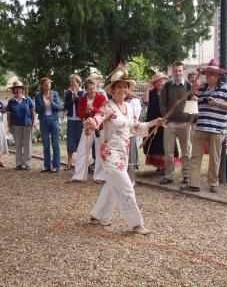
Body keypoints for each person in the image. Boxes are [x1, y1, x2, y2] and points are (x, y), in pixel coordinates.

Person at [84, 64, 163, 235]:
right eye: (118, 86)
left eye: (125, 86)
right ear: (112, 90)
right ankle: (136, 223)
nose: (122, 89)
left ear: (128, 89)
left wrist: (153, 123)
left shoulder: (128, 108)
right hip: (110, 154)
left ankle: (98, 215)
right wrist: (92, 123)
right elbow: (97, 119)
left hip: (124, 153)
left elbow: (134, 127)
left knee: (113, 186)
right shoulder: (108, 106)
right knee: (127, 187)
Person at [184, 58, 227, 193]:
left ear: (218, 75)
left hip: (217, 129)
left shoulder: (226, 89)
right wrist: (194, 98)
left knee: (215, 157)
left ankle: (213, 183)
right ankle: (193, 184)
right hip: (201, 127)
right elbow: (193, 100)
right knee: (195, 156)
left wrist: (218, 103)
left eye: (212, 74)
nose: (209, 76)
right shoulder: (201, 88)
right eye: (207, 74)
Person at [158, 61, 193, 185]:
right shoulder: (166, 87)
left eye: (180, 71)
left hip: (185, 124)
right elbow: (162, 103)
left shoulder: (189, 86)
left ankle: (186, 175)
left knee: (186, 151)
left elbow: (192, 104)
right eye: (175, 71)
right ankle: (169, 175)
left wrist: (190, 120)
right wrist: (165, 118)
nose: (178, 73)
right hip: (170, 124)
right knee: (169, 152)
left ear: (183, 71)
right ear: (172, 72)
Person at [68, 78, 107, 183]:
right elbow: (80, 114)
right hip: (88, 127)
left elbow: (105, 112)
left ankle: (100, 177)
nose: (93, 91)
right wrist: (85, 111)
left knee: (99, 151)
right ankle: (79, 176)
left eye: (94, 88)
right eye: (90, 89)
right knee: (82, 149)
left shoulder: (102, 97)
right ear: (86, 89)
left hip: (100, 127)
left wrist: (93, 109)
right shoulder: (83, 99)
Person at [142, 72, 180, 172]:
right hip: (152, 121)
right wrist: (147, 87)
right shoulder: (151, 92)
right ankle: (159, 166)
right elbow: (145, 101)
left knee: (165, 145)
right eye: (157, 81)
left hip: (165, 122)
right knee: (154, 144)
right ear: (155, 83)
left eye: (161, 81)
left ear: (164, 82)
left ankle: (166, 166)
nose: (160, 83)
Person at [7, 79, 36, 171]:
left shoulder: (28, 99)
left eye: (19, 88)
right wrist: (9, 126)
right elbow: (9, 115)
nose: (18, 90)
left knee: (27, 145)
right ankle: (19, 164)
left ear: (22, 89)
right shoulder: (11, 101)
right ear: (13, 90)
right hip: (16, 125)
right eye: (16, 88)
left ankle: (27, 164)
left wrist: (34, 121)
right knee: (18, 145)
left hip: (27, 124)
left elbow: (33, 112)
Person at [34, 77, 62, 173]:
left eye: (49, 83)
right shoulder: (38, 96)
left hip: (54, 121)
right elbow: (37, 110)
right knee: (46, 145)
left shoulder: (55, 94)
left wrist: (51, 102)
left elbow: (59, 107)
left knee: (55, 144)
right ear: (42, 85)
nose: (48, 85)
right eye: (45, 83)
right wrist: (43, 104)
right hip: (44, 121)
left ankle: (56, 166)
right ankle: (47, 166)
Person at [64, 74, 85, 170]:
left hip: (80, 120)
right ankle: (69, 163)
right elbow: (66, 106)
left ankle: (80, 163)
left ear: (78, 82)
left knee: (80, 140)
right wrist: (72, 99)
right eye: (71, 82)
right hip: (71, 120)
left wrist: (76, 96)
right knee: (70, 140)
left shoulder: (83, 92)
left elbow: (82, 105)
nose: (72, 84)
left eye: (74, 82)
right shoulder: (68, 93)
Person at [126, 92, 142, 185]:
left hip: (129, 134)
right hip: (118, 136)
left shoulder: (134, 100)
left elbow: (134, 120)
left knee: (131, 158)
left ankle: (131, 181)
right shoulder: (114, 101)